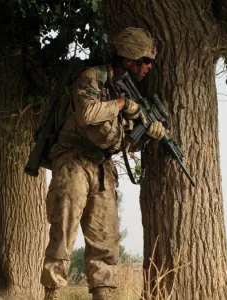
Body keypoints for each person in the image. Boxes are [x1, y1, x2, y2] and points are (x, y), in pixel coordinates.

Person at [41, 27, 166, 300]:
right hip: (73, 161)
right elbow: (87, 114)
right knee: (63, 234)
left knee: (106, 245)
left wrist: (146, 135)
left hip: (102, 168)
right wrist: (123, 104)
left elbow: (123, 142)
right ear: (129, 60)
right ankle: (50, 295)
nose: (149, 66)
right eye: (145, 60)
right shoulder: (92, 78)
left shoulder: (126, 90)